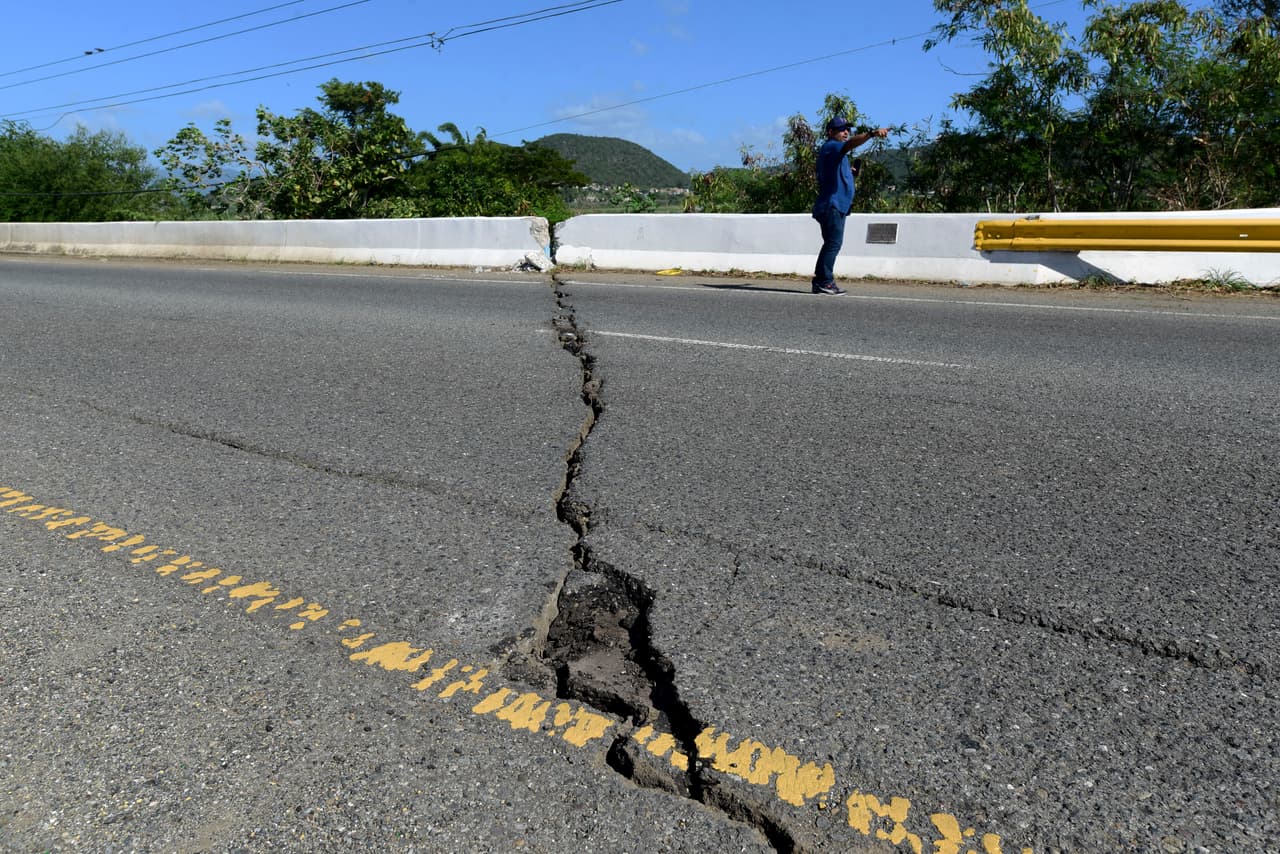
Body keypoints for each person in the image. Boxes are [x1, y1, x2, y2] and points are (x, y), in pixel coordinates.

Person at [811, 116, 890, 295]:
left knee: (831, 243)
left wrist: (851, 173)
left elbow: (836, 174)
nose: (846, 132)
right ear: (830, 132)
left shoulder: (835, 154)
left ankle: (821, 281)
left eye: (847, 129)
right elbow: (849, 145)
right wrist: (871, 134)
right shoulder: (832, 146)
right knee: (833, 243)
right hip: (832, 205)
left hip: (835, 205)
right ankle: (824, 281)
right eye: (841, 129)